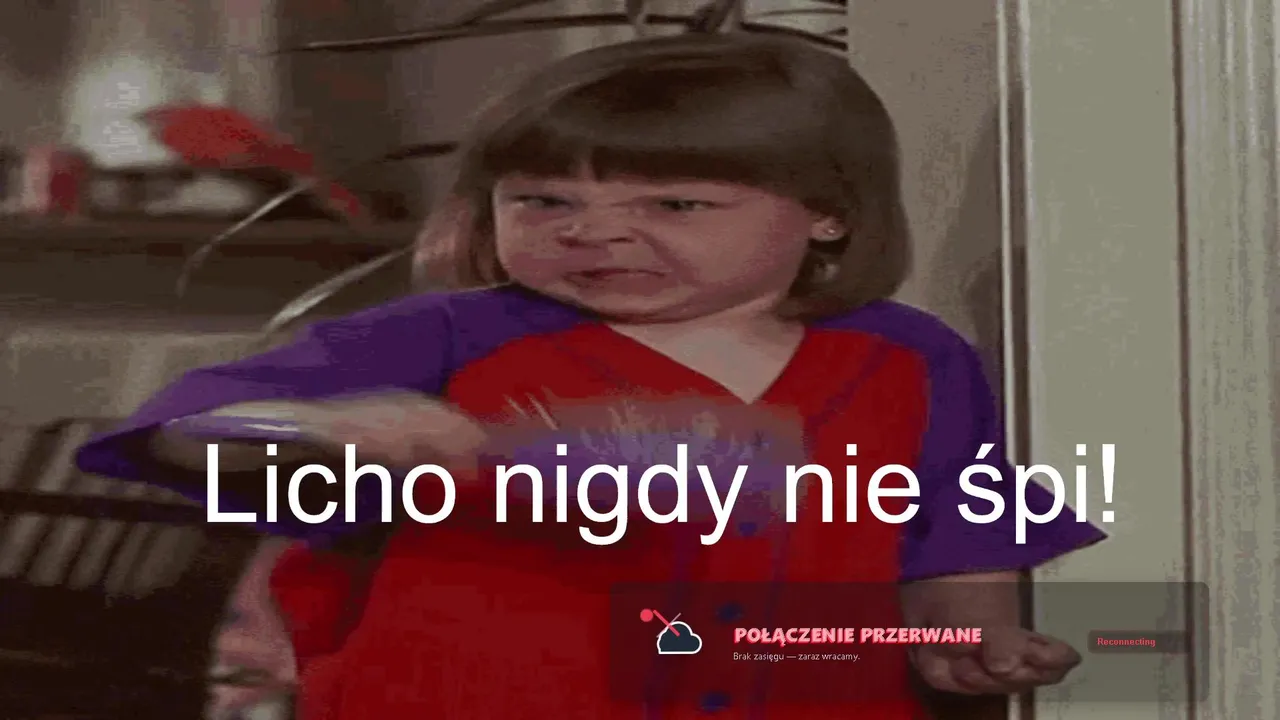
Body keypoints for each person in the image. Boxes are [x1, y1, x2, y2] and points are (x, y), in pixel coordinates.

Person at [75, 32, 1105, 719]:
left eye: (674, 205)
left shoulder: (914, 358)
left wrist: (967, 640)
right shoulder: (443, 336)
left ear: (827, 213)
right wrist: (328, 427)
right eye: (543, 201)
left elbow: (959, 537)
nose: (594, 232)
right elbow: (185, 429)